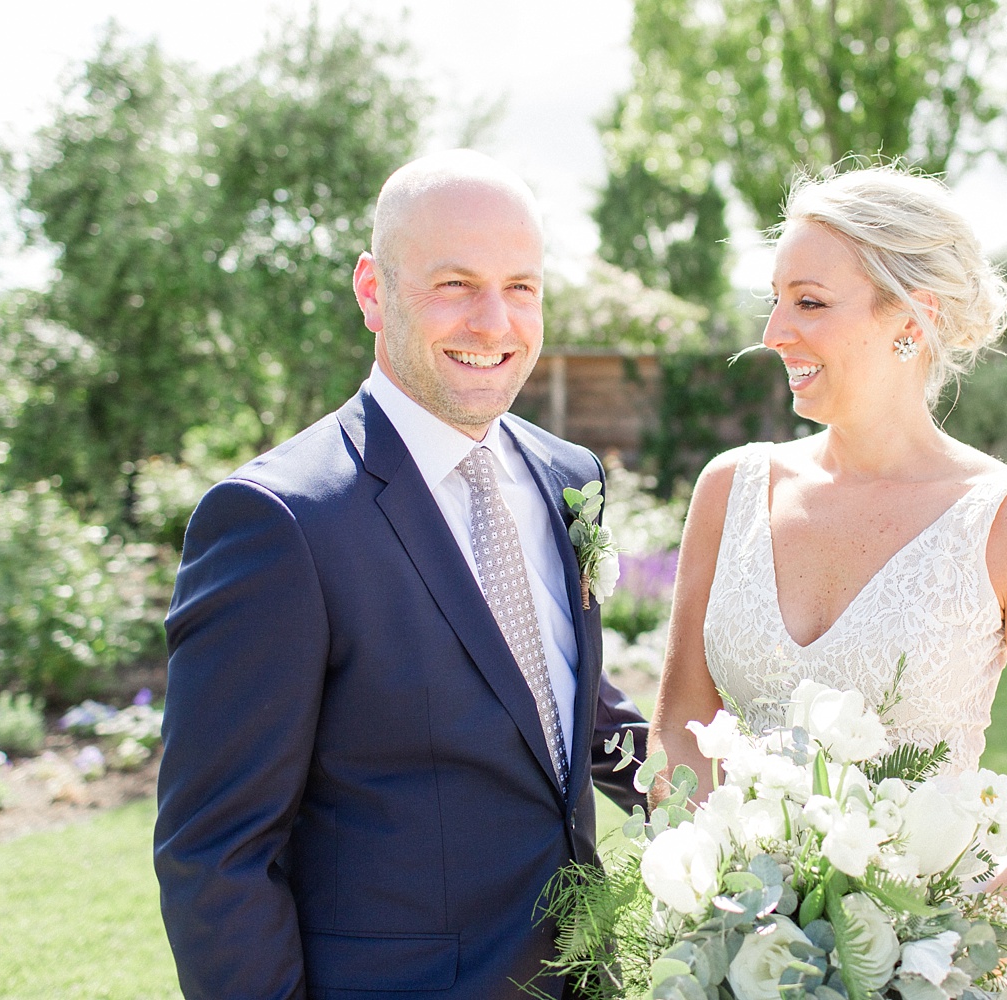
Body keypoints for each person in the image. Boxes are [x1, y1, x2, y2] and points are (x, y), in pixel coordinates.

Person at [154, 149, 648, 999]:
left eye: (521, 286)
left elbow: (554, 700)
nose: (495, 322)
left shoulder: (570, 476)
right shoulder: (277, 523)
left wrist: (746, 800)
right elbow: (216, 858)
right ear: (373, 291)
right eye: (455, 284)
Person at [649, 165, 1007, 920]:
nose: (773, 333)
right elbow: (678, 730)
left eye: (809, 302)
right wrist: (704, 920)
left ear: (909, 318)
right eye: (775, 300)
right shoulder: (728, 491)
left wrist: (948, 965)